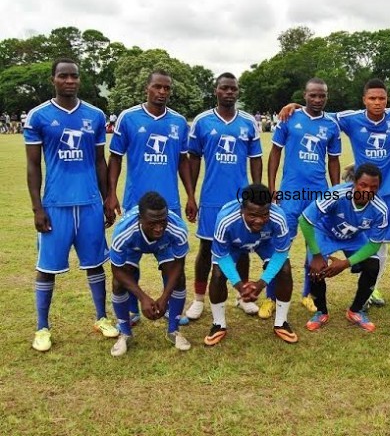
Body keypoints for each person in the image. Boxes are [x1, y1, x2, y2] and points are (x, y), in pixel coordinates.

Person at [280, 79, 390, 308]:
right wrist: (298, 107)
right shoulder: (351, 118)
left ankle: (372, 289)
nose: (377, 103)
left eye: (382, 98)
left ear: (387, 99)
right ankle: (313, 294)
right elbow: (320, 113)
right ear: (364, 100)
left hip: (387, 193)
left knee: (380, 243)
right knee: (337, 233)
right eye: (372, 98)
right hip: (358, 189)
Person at [24, 58, 118, 352]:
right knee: (47, 268)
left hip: (89, 203)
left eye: (74, 76)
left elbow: (100, 162)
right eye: (63, 76)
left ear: (79, 79)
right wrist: (37, 208)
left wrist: (106, 199)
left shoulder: (95, 114)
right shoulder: (39, 116)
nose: (69, 81)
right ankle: (42, 327)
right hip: (56, 205)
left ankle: (102, 318)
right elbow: (32, 165)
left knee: (95, 265)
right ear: (53, 79)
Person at [105, 70, 197, 327]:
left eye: (167, 88)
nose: (163, 92)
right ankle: (132, 311)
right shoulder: (128, 118)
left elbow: (182, 161)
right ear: (147, 88)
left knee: (171, 261)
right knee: (129, 261)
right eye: (158, 87)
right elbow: (115, 158)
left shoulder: (179, 122)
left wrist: (190, 195)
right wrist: (111, 194)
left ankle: (169, 308)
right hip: (136, 204)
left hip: (171, 205)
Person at [185, 73, 263, 320]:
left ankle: (242, 297)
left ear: (238, 92)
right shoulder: (202, 121)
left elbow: (256, 158)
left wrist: (258, 191)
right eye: (224, 88)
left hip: (241, 199)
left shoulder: (249, 122)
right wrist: (191, 195)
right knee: (207, 249)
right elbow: (194, 158)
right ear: (216, 91)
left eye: (233, 89)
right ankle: (198, 299)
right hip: (211, 199)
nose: (229, 92)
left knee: (242, 248)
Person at [264, 78, 341, 318]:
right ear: (305, 96)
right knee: (280, 244)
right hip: (290, 192)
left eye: (322, 96)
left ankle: (308, 294)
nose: (317, 100)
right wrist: (272, 186)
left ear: (326, 97)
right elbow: (275, 152)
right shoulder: (289, 118)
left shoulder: (331, 125)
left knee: (314, 247)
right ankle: (270, 296)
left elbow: (334, 160)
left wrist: (336, 191)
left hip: (318, 193)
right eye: (313, 95)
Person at [204, 184, 297, 346]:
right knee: (218, 274)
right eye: (253, 215)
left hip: (264, 242)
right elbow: (222, 255)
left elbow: (281, 252)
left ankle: (281, 322)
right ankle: (218, 324)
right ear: (242, 210)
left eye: (264, 214)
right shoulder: (226, 219)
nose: (260, 220)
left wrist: (261, 284)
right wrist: (240, 287)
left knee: (285, 269)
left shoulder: (279, 217)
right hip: (234, 245)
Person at [299, 163, 388, 332]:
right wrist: (317, 255)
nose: (368, 190)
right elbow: (305, 220)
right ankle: (321, 312)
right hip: (324, 233)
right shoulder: (337, 194)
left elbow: (374, 243)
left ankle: (355, 310)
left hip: (353, 237)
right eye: (363, 185)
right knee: (315, 269)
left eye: (374, 187)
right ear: (355, 182)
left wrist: (346, 263)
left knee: (373, 265)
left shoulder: (380, 209)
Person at [109, 191, 191, 356]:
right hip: (134, 245)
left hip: (164, 245)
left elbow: (179, 264)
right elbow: (116, 270)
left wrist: (164, 298)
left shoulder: (178, 228)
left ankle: (173, 331)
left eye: (163, 221)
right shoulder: (123, 232)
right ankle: (125, 333)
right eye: (153, 223)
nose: (159, 227)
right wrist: (143, 298)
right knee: (119, 283)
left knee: (179, 278)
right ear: (140, 219)